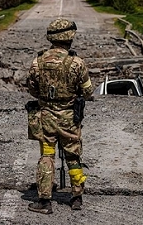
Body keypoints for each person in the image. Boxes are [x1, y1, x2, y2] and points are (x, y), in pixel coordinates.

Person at [26, 18, 93, 214]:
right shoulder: (77, 63)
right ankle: (76, 198)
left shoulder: (37, 62)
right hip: (70, 119)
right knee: (73, 156)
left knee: (47, 155)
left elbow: (32, 90)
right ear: (70, 37)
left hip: (46, 117)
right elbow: (88, 92)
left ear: (51, 38)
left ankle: (44, 201)